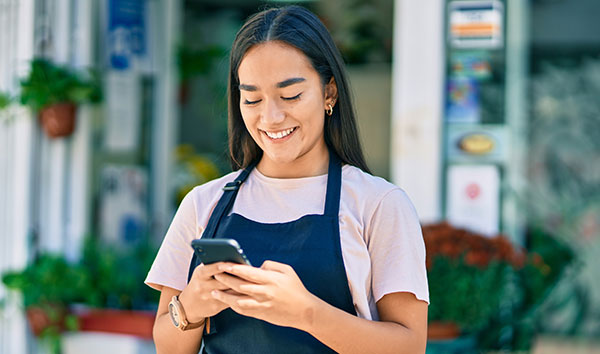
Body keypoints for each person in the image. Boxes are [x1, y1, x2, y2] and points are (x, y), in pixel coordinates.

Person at [145, 5, 429, 354]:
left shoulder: (379, 205)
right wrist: (190, 307)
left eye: (290, 95)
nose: (271, 116)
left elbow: (410, 346)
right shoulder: (204, 204)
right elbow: (168, 347)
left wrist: (306, 313)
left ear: (329, 93)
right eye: (252, 99)